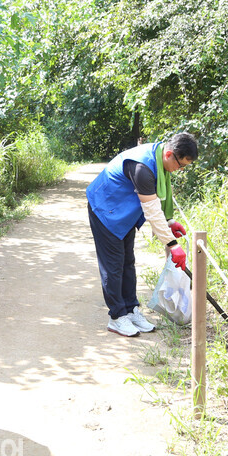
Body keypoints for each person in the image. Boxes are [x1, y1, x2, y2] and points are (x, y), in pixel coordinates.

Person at [86, 132, 198, 337]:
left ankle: (130, 309)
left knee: (128, 262)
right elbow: (152, 210)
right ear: (170, 154)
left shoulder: (160, 157)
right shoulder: (143, 168)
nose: (179, 170)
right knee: (113, 265)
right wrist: (173, 246)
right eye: (180, 165)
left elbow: (157, 201)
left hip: (124, 213)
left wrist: (170, 222)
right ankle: (117, 317)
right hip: (105, 209)